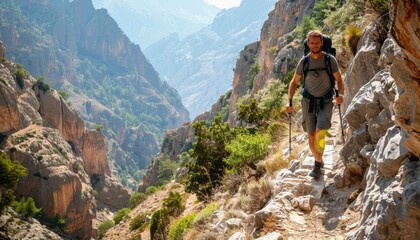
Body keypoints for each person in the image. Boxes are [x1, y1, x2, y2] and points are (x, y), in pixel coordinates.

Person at [286, 30, 344, 179]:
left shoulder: (329, 60)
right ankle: (319, 160)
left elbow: (339, 79)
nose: (315, 45)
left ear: (322, 43)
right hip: (308, 101)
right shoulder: (304, 62)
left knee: (319, 133)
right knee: (311, 135)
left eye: (317, 42)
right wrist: (289, 100)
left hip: (325, 101)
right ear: (308, 44)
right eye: (312, 42)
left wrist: (340, 95)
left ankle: (317, 165)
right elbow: (294, 82)